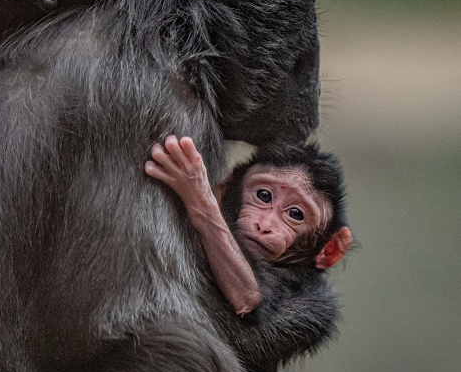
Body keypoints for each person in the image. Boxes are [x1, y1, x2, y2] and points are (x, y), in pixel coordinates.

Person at [145, 135, 352, 315]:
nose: (265, 224)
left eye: (295, 214)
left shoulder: (298, 303)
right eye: (263, 196)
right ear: (224, 189)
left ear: (330, 250)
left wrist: (198, 199)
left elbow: (247, 298)